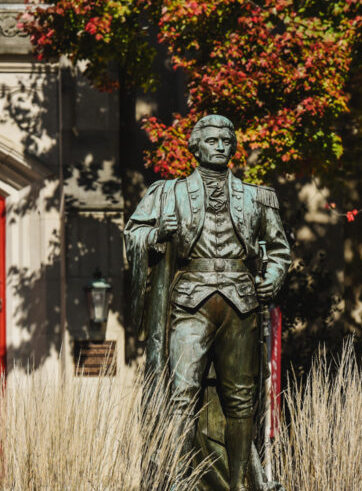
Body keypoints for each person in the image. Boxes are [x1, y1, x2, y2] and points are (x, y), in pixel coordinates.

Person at [125, 114, 290, 490]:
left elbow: (280, 250)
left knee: (241, 400)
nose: (220, 145)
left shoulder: (257, 197)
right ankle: (180, 479)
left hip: (241, 302)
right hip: (190, 304)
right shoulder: (166, 193)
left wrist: (274, 276)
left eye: (227, 140)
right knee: (182, 394)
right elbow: (133, 232)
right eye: (212, 139)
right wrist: (155, 236)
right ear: (195, 146)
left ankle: (238, 484)